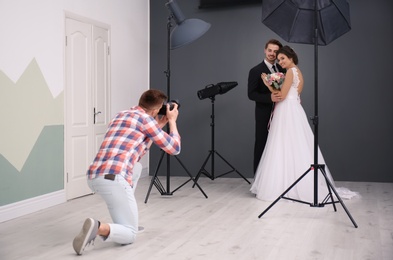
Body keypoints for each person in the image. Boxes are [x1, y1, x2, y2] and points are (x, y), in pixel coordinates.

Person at [72, 89, 181, 255]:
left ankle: (124, 218)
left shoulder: (121, 114)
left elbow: (137, 144)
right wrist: (172, 121)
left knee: (136, 168)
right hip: (114, 178)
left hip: (94, 176)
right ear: (154, 111)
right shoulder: (146, 120)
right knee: (130, 234)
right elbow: (174, 148)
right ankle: (98, 227)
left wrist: (158, 125)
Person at [250, 46, 357, 202]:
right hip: (294, 110)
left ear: (291, 57)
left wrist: (267, 82)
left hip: (286, 111)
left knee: (283, 146)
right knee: (295, 145)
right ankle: (294, 181)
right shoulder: (298, 72)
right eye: (279, 59)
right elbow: (295, 93)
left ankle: (284, 184)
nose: (280, 62)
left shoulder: (291, 72)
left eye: (282, 59)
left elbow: (281, 95)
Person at [248, 39, 286, 174]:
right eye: (270, 50)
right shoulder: (255, 70)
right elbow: (251, 94)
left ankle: (276, 177)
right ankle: (258, 179)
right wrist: (269, 98)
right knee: (261, 144)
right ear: (265, 50)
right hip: (263, 113)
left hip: (281, 112)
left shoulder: (282, 69)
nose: (272, 53)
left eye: (275, 51)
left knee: (280, 144)